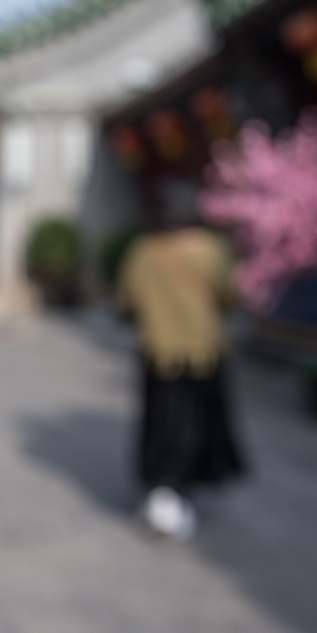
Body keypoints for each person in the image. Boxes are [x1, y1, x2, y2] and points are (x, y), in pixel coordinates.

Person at [117, 222, 243, 539]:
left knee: (164, 421)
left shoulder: (144, 252)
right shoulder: (213, 250)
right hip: (205, 350)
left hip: (161, 352)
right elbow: (230, 296)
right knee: (200, 421)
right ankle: (180, 489)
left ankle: (164, 489)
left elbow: (126, 301)